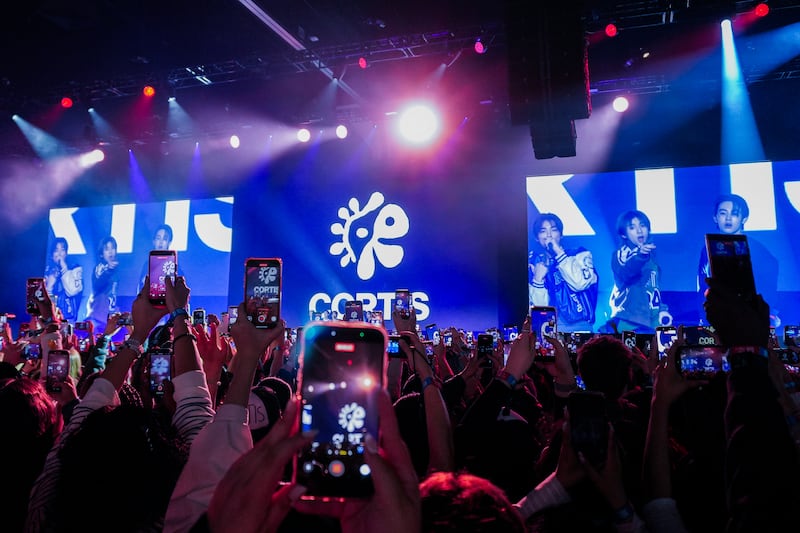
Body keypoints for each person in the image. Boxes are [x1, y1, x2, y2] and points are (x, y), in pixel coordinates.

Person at [697, 194, 779, 324]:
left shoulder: (757, 250)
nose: (728, 218)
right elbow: (703, 284)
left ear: (744, 219)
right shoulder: (707, 249)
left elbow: (768, 288)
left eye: (734, 214)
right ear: (715, 218)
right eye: (723, 213)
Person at [529, 213, 598, 332]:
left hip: (579, 325)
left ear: (561, 234)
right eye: (543, 231)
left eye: (553, 230)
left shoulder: (579, 254)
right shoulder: (533, 263)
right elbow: (538, 308)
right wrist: (538, 280)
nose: (549, 235)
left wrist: (558, 253)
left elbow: (579, 283)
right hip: (547, 328)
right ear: (537, 237)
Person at [608, 210, 666, 333]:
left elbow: (653, 287)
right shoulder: (622, 254)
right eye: (632, 227)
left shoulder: (650, 256)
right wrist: (640, 256)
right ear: (624, 234)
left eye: (642, 225)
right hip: (631, 321)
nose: (639, 230)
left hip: (653, 321)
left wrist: (662, 310)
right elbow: (626, 274)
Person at [84, 236, 120, 330]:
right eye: (107, 249)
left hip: (109, 316)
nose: (110, 251)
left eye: (113, 248)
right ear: (101, 254)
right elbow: (98, 285)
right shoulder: (100, 267)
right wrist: (108, 271)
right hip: (98, 316)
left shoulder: (116, 269)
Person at [44, 237, 83, 321]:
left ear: (66, 253)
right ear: (51, 255)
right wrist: (49, 287)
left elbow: (72, 291)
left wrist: (64, 268)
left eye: (62, 250)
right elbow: (42, 304)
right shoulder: (46, 271)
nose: (59, 254)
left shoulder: (74, 269)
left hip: (68, 319)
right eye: (56, 250)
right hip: (50, 320)